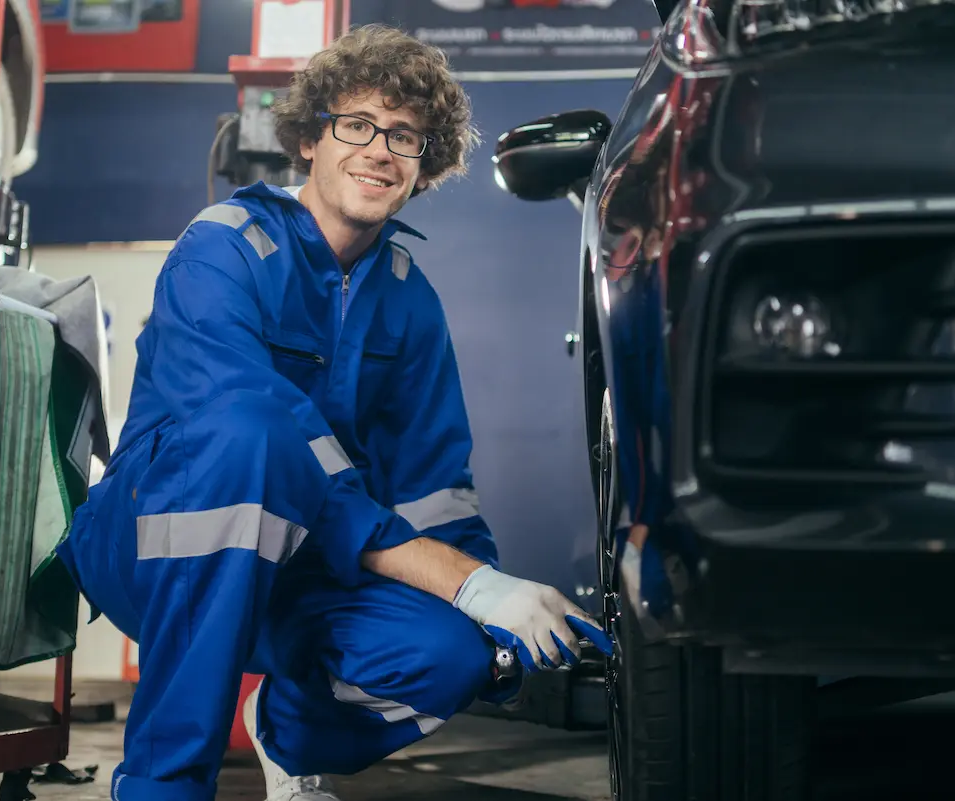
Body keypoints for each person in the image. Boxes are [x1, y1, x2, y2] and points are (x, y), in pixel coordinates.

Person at [54, 23, 612, 801]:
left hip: (305, 567)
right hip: (159, 542)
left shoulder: (411, 302)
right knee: (250, 437)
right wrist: (463, 579)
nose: (380, 149)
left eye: (406, 137)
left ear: (424, 168)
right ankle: (160, 784)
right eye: (357, 124)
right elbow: (256, 433)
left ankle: (287, 730)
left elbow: (434, 489)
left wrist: (488, 605)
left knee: (449, 654)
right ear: (310, 138)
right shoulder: (223, 248)